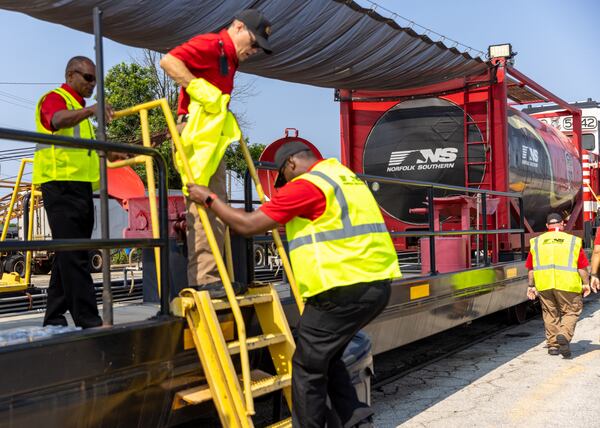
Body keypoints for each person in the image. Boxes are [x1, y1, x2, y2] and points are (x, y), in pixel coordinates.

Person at [186, 141, 401, 427]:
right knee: (328, 355)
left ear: (290, 164)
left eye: (282, 177)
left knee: (305, 368)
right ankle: (355, 417)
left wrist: (209, 198)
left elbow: (248, 225)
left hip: (341, 291)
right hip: (376, 286)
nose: (283, 184)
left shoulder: (306, 186)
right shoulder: (344, 176)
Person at [160, 9, 272, 295]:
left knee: (216, 206)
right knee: (204, 206)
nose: (255, 50)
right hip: (196, 137)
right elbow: (169, 61)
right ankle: (205, 280)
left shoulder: (230, 60)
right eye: (254, 42)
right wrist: (199, 88)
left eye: (259, 46)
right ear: (237, 27)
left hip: (211, 139)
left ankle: (214, 276)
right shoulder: (213, 45)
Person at [33, 56, 115, 328]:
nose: (93, 84)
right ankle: (88, 318)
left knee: (68, 254)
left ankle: (54, 317)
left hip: (79, 189)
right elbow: (56, 120)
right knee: (74, 254)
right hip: (60, 186)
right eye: (87, 78)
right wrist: (92, 110)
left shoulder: (82, 113)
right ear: (70, 76)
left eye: (95, 79)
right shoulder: (55, 99)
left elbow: (89, 150)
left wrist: (118, 152)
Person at [526, 213, 591, 358]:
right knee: (571, 311)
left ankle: (553, 346)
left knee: (550, 313)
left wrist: (531, 286)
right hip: (568, 285)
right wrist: (586, 283)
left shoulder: (536, 242)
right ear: (562, 224)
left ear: (547, 226)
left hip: (544, 284)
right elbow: (581, 267)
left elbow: (531, 268)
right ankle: (564, 334)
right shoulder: (572, 241)